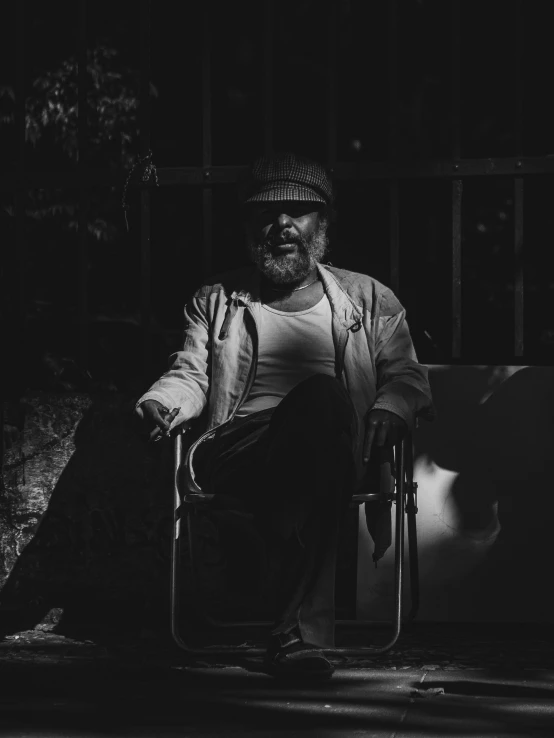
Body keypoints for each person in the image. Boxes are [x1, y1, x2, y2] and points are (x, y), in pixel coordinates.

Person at [135, 152, 434, 679]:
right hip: (239, 447)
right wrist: (165, 401)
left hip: (329, 443)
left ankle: (288, 633)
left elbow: (406, 376)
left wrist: (390, 406)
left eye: (298, 212)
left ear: (322, 224)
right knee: (320, 414)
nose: (282, 225)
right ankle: (295, 632)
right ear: (249, 227)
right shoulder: (216, 299)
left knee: (321, 408)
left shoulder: (366, 297)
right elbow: (191, 373)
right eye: (266, 215)